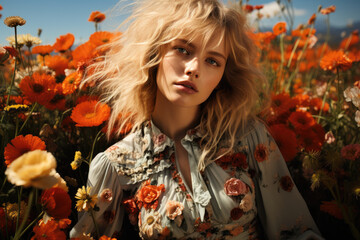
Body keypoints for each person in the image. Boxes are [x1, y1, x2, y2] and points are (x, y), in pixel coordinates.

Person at [70, 0, 323, 239]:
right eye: (182, 49)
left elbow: (296, 230)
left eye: (212, 60)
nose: (194, 68)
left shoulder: (248, 137)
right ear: (153, 52)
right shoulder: (116, 165)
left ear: (223, 76)